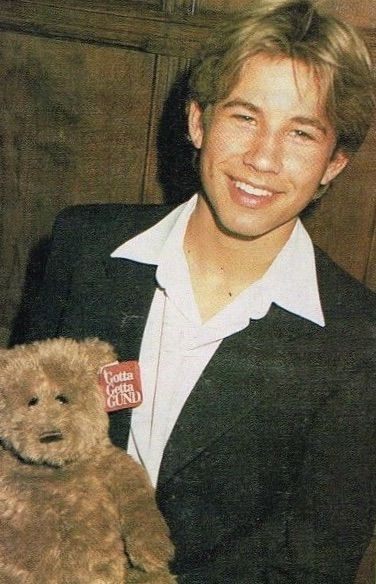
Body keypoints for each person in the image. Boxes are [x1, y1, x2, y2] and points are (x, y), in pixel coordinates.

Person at [17, 1, 376, 582]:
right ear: (198, 122)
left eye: (301, 133)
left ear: (334, 162)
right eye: (245, 117)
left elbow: (313, 562)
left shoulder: (359, 340)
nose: (263, 158)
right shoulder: (84, 249)